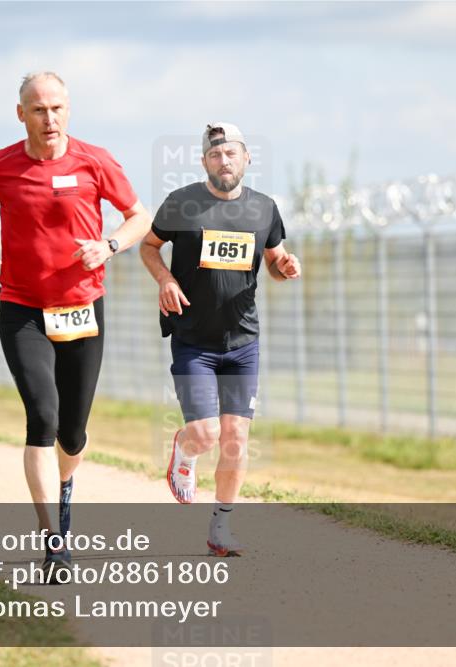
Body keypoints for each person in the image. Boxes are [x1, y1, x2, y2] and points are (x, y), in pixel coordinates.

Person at [0, 72, 151, 576]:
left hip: (82, 307)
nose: (49, 118)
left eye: (57, 108)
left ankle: (67, 486)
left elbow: (139, 215)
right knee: (42, 417)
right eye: (38, 109)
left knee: (72, 433)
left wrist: (109, 245)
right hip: (23, 307)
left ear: (68, 110)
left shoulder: (95, 160)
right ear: (20, 113)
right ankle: (54, 542)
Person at [140, 122, 301, 557]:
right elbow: (149, 246)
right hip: (193, 340)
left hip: (243, 341)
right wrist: (165, 279)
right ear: (204, 161)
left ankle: (221, 528)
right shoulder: (182, 203)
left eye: (231, 153)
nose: (223, 161)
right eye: (215, 155)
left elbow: (272, 259)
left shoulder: (264, 209)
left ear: (247, 158)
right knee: (207, 433)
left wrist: (283, 265)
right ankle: (184, 449)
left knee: (236, 438)